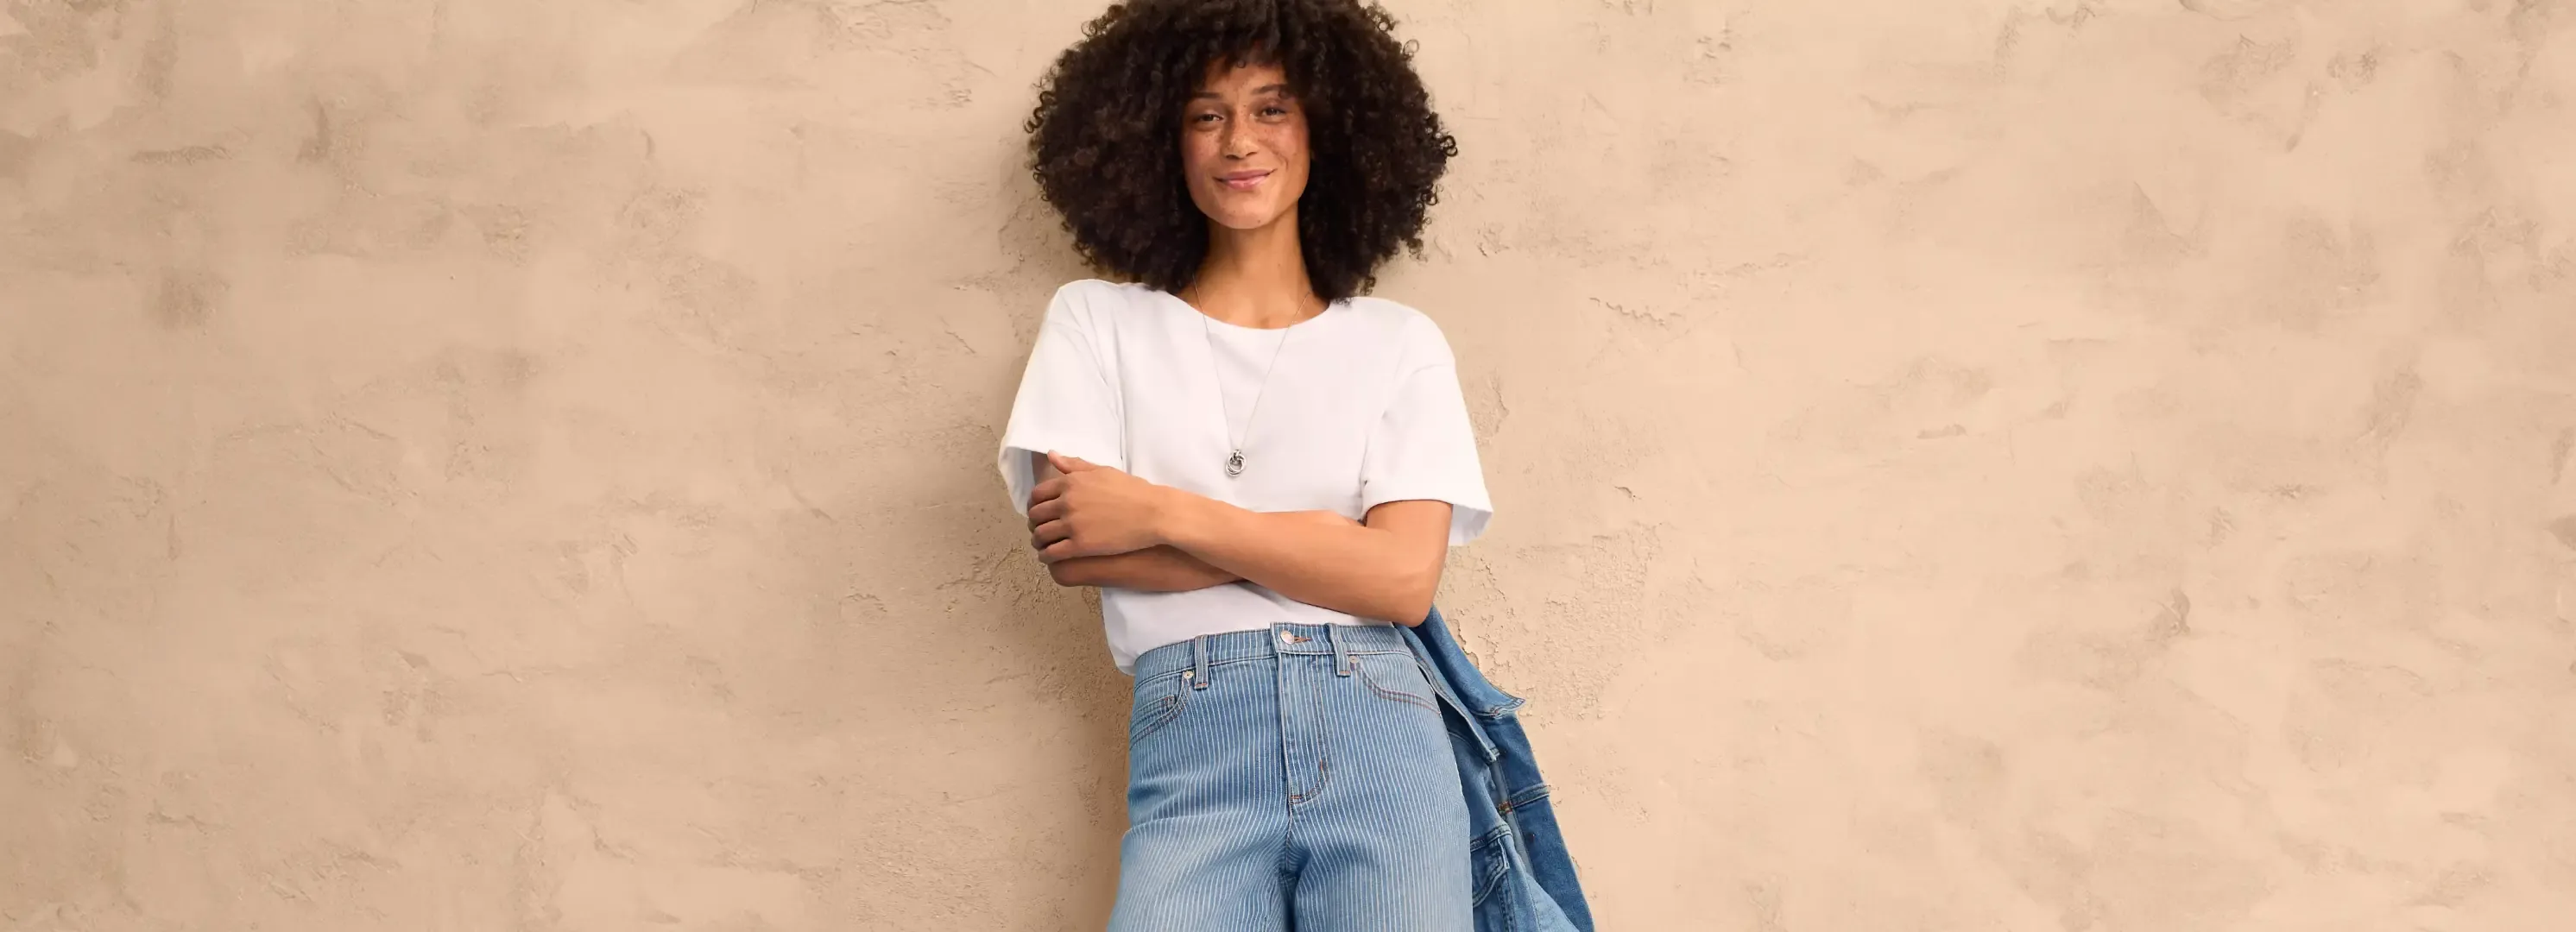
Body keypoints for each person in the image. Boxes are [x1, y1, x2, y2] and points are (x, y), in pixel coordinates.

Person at [996, 1, 1490, 928]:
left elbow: (1401, 584)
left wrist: (1161, 513)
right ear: (1161, 139)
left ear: (1327, 128)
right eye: (1205, 114)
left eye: (1272, 107)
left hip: (1382, 728)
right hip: (1193, 737)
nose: (1238, 142)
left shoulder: (1398, 343)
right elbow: (1076, 546)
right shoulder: (1097, 321)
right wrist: (1325, 545)